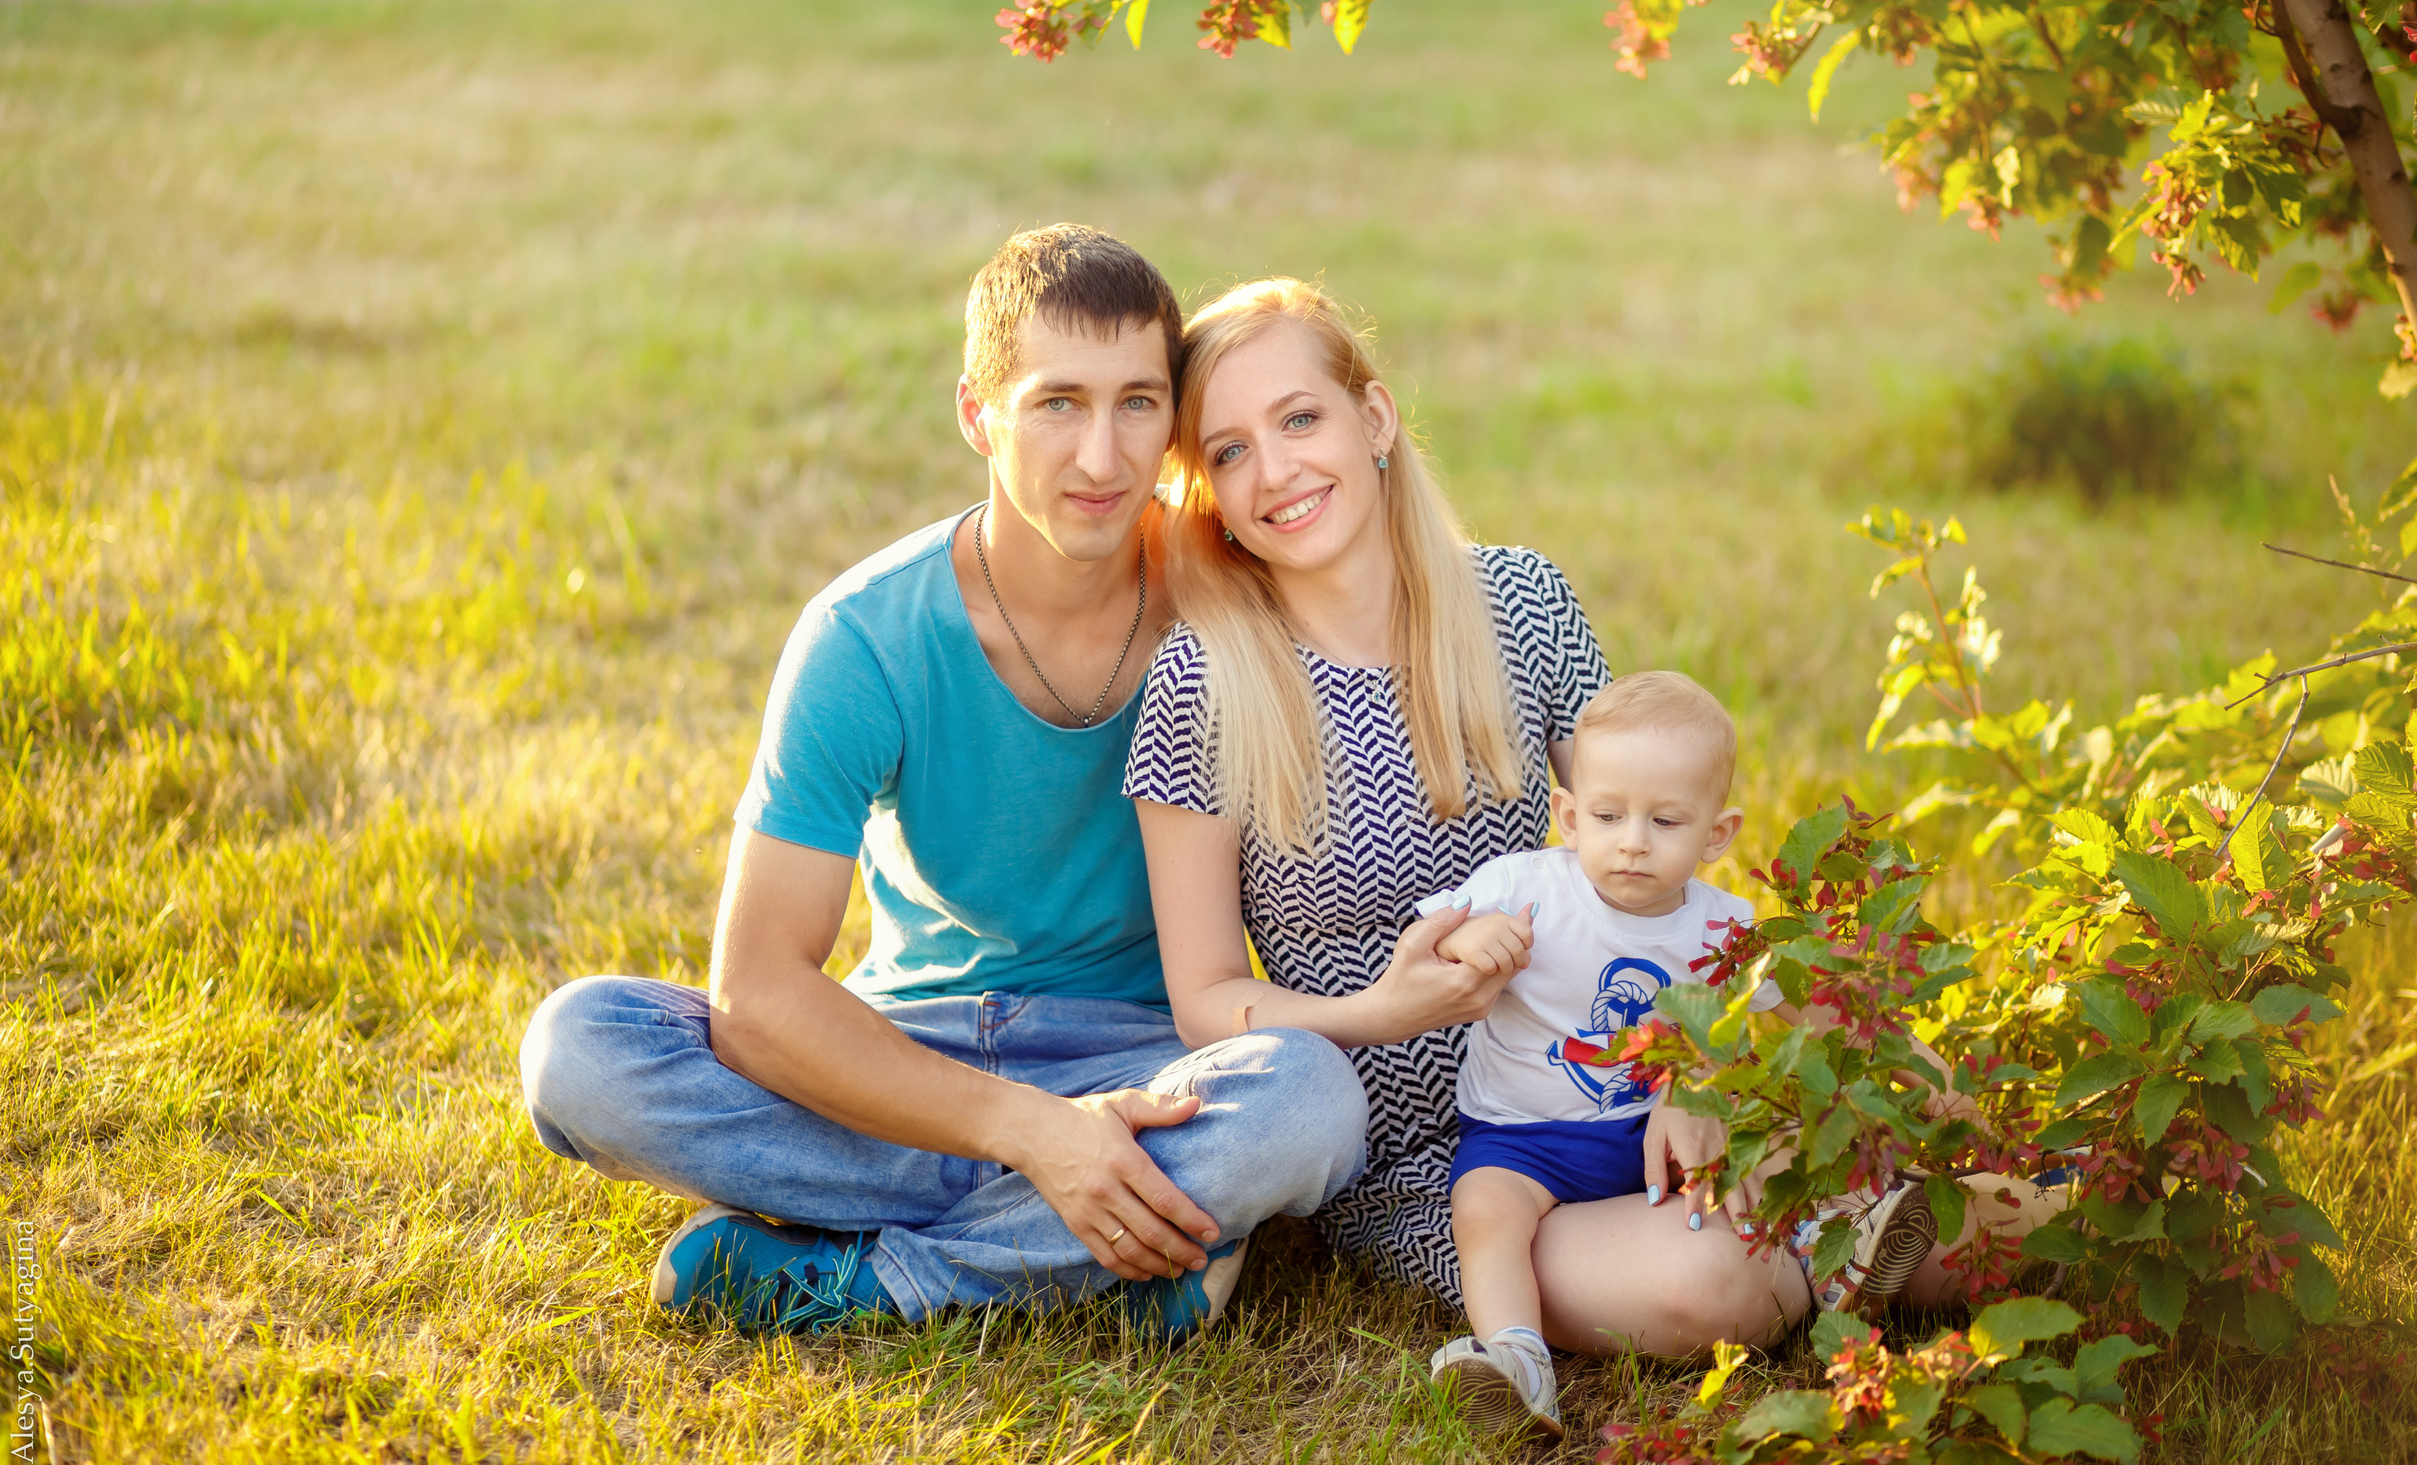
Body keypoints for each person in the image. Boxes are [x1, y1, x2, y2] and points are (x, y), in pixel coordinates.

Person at [1125, 277, 2061, 1396]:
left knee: (1956, 1149)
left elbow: (1650, 846)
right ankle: (1847, 1234)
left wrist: (1703, 1068)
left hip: (1625, 1069)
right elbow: (1206, 998)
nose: (1275, 470)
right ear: (1210, 497)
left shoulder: (1520, 602)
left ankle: (1939, 1209)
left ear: (1372, 419)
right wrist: (1386, 1010)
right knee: (1711, 1285)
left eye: (1299, 419)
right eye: (1229, 451)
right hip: (1449, 1158)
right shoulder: (1202, 681)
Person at [518, 226, 1368, 1340]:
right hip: (911, 1054)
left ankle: (871, 1278)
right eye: (1057, 403)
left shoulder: (1229, 599)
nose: (1102, 456)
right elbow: (759, 994)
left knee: (1309, 1100)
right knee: (579, 1048)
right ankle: (1101, 1236)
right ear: (978, 413)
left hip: (1144, 1060)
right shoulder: (863, 635)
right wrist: (1032, 1132)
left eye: (1137, 403)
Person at [1417, 670, 1972, 1441]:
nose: (1633, 840)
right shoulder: (1524, 888)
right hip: (1523, 1139)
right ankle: (1518, 1357)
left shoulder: (1723, 930)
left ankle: (1837, 1238)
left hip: (1668, 1139)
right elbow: (1429, 940)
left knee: (1773, 1140)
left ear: (1717, 833)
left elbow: (1823, 1008)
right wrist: (1468, 939)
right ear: (1569, 815)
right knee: (1483, 1212)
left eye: (1665, 820)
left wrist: (1936, 1076)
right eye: (1607, 814)